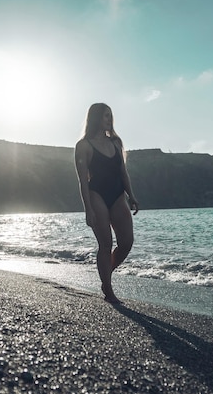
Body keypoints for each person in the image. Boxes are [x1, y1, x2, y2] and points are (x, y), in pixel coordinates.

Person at [75, 103, 139, 304]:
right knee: (105, 244)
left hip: (118, 196)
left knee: (126, 242)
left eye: (110, 116)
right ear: (95, 118)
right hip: (97, 195)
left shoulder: (116, 143)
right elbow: (82, 180)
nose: (109, 120)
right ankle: (108, 290)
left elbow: (123, 172)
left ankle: (106, 272)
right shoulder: (84, 145)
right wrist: (88, 209)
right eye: (105, 116)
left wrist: (132, 195)